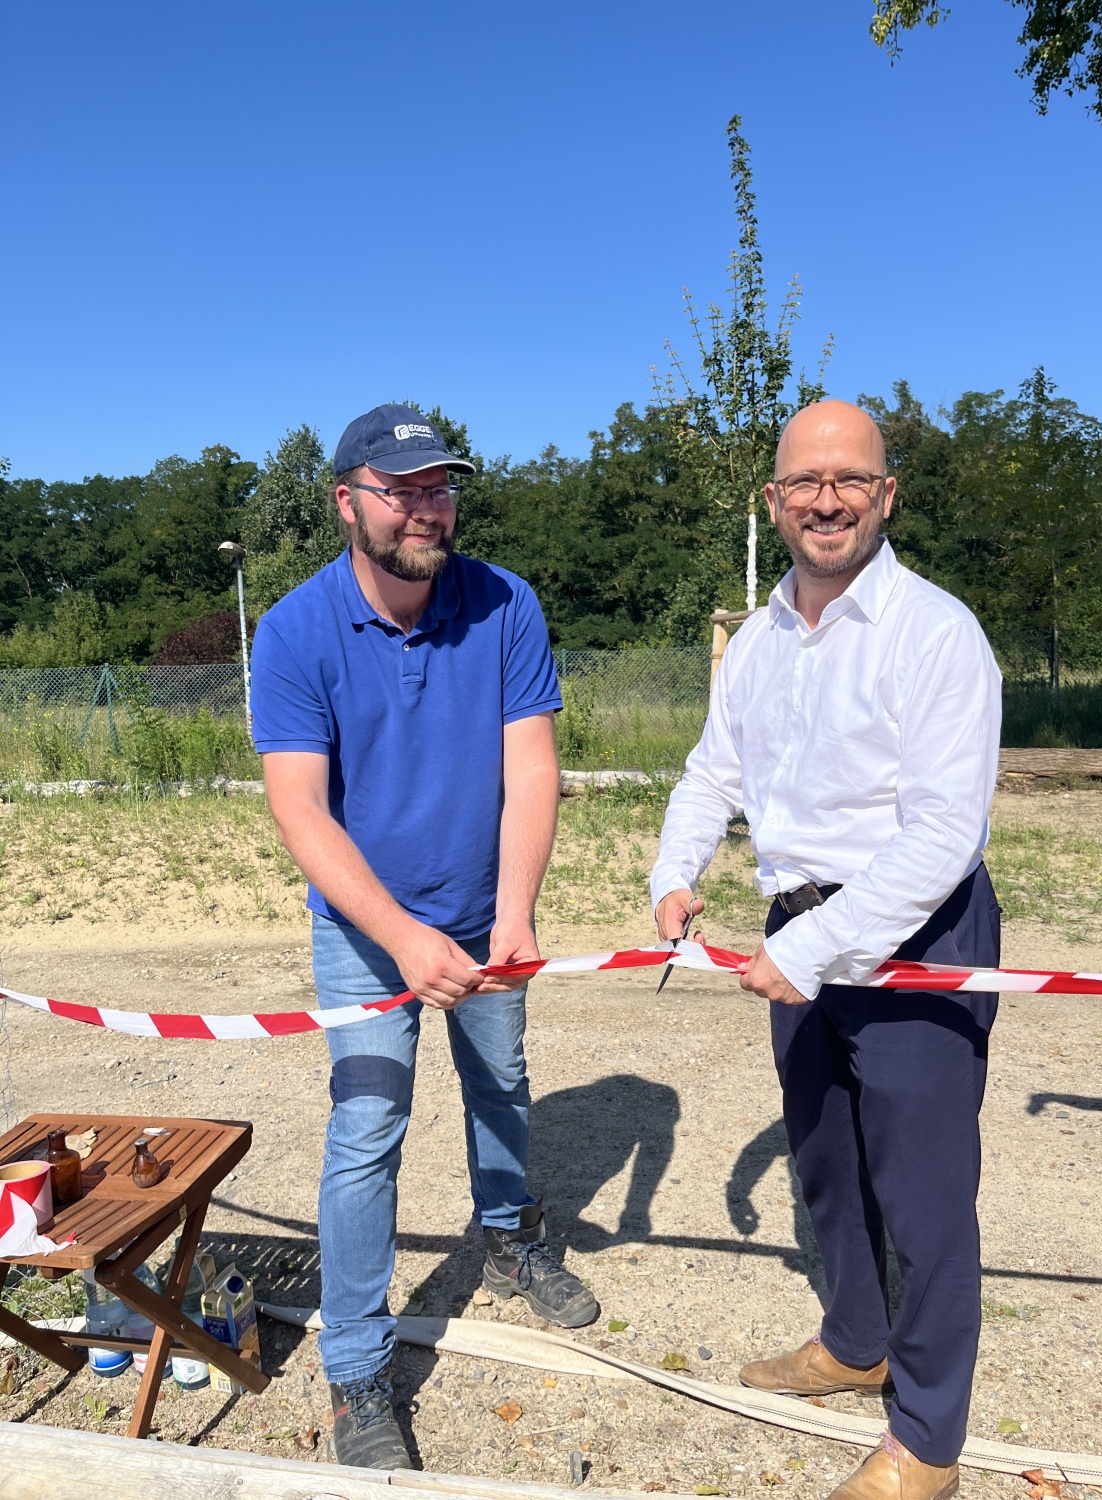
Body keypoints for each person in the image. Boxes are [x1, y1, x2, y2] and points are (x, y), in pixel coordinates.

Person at [650, 400, 1001, 1500]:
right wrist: (676, 869)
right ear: (775, 500)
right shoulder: (758, 641)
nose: (827, 499)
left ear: (886, 495)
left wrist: (821, 947)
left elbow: (947, 833)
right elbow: (716, 769)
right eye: (804, 482)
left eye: (850, 479)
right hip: (794, 932)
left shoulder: (936, 633)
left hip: (915, 935)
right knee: (825, 1161)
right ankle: (856, 1342)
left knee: (927, 1197)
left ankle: (927, 1446)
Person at [250, 404, 598, 1471]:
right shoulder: (297, 629)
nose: (422, 507)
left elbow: (531, 766)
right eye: (398, 488)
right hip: (366, 931)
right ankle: (357, 1367)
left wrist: (516, 909)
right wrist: (400, 936)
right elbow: (302, 810)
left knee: (504, 1083)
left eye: (437, 486)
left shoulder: (504, 604)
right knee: (366, 1130)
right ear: (346, 499)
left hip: (486, 913)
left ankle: (508, 1234)